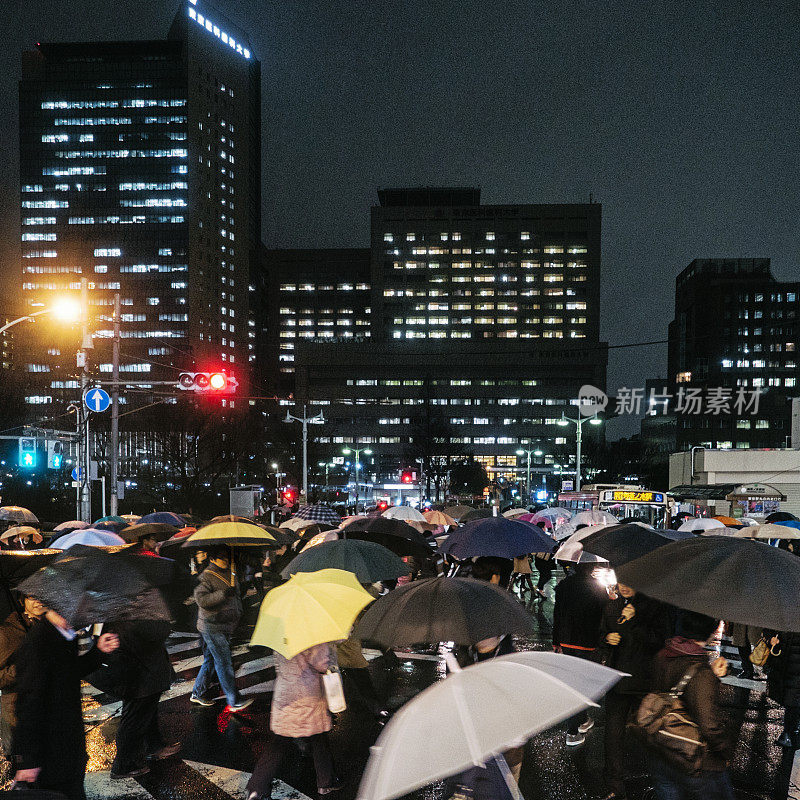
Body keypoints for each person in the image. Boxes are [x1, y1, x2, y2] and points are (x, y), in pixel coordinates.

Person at [13, 605, 120, 800]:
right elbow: (28, 703)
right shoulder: (39, 642)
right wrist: (27, 760)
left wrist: (98, 651)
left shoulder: (63, 635)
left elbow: (68, 673)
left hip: (67, 748)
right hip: (50, 754)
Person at [645, 611, 734, 800]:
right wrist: (725, 752)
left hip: (661, 749)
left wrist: (710, 674)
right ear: (711, 633)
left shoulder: (662, 655)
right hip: (693, 759)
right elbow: (709, 725)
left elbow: (670, 692)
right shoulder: (701, 673)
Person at [595, 583, 671, 800]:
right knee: (613, 733)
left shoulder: (654, 606)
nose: (625, 587)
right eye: (621, 582)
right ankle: (614, 784)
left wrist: (634, 621)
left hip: (644, 680)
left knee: (652, 732)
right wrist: (606, 639)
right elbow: (601, 635)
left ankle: (659, 782)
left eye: (630, 583)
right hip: (618, 679)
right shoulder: (612, 606)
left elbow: (660, 641)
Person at [87, 613, 180, 779]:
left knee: (147, 713)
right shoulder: (124, 615)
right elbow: (153, 634)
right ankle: (123, 765)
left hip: (145, 672)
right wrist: (164, 623)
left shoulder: (126, 611)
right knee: (133, 719)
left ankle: (154, 746)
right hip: (136, 675)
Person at [246, 643, 342, 800]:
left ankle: (256, 788)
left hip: (285, 692)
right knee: (319, 737)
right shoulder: (312, 636)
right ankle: (326, 782)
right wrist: (332, 649)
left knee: (279, 742)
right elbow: (323, 664)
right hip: (307, 695)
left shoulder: (284, 632)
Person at [552, 561, 608, 746]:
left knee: (573, 682)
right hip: (588, 643)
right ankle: (573, 730)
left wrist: (555, 641)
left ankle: (582, 719)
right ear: (592, 568)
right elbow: (604, 616)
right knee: (581, 685)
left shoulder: (564, 586)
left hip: (567, 641)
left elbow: (557, 614)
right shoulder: (597, 589)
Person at [190, 546, 253, 712]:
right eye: (221, 557)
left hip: (226, 625)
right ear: (212, 559)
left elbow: (236, 595)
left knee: (211, 660)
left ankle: (197, 692)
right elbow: (202, 600)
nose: (225, 560)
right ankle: (233, 700)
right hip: (212, 626)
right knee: (224, 662)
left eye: (227, 557)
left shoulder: (231, 572)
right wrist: (223, 594)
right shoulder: (206, 576)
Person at [0, 594, 47, 754]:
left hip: (46, 706)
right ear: (22, 600)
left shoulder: (52, 628)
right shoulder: (7, 633)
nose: (38, 601)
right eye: (32, 597)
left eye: (42, 595)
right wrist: (17, 670)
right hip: (17, 711)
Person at [765, 630, 800, 748]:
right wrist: (770, 639)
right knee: (791, 698)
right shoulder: (784, 613)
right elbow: (768, 628)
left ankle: (788, 733)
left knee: (792, 699)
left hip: (791, 663)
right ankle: (789, 733)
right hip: (784, 661)